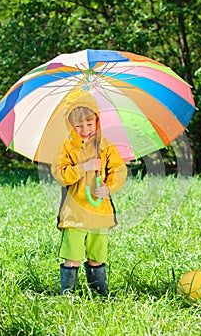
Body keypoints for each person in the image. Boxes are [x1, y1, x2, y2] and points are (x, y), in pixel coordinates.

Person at [51, 93, 127, 296]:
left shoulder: (106, 146)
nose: (85, 130)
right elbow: (60, 174)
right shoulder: (66, 147)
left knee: (97, 255)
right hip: (75, 213)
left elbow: (119, 170)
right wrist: (83, 167)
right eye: (79, 125)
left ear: (97, 121)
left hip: (99, 212)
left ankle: (100, 294)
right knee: (72, 255)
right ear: (70, 125)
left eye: (89, 123)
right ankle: (67, 295)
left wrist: (109, 188)